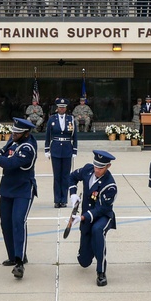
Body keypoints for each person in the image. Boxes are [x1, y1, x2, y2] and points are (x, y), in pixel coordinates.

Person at [0, 117, 38, 279]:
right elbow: (4, 153)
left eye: (17, 132)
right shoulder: (14, 141)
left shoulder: (28, 147)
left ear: (25, 133)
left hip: (23, 189)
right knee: (6, 223)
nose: (13, 134)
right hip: (7, 187)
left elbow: (10, 164)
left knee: (18, 222)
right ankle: (12, 255)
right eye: (13, 131)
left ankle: (20, 261)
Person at [65, 150, 117, 287]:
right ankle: (92, 247)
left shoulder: (110, 185)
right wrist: (73, 193)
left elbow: (102, 209)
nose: (97, 170)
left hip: (103, 217)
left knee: (97, 231)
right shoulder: (88, 169)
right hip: (86, 216)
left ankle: (101, 272)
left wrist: (82, 217)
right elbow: (72, 177)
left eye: (100, 167)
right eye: (95, 166)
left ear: (108, 166)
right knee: (84, 261)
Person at [45, 98, 78, 208]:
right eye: (60, 107)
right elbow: (48, 135)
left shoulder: (71, 119)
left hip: (67, 149)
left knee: (66, 176)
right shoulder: (52, 119)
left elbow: (75, 136)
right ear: (57, 108)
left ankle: (64, 200)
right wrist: (46, 150)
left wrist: (74, 150)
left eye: (63, 107)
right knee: (57, 176)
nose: (61, 109)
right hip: (55, 150)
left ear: (66, 108)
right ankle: (57, 200)